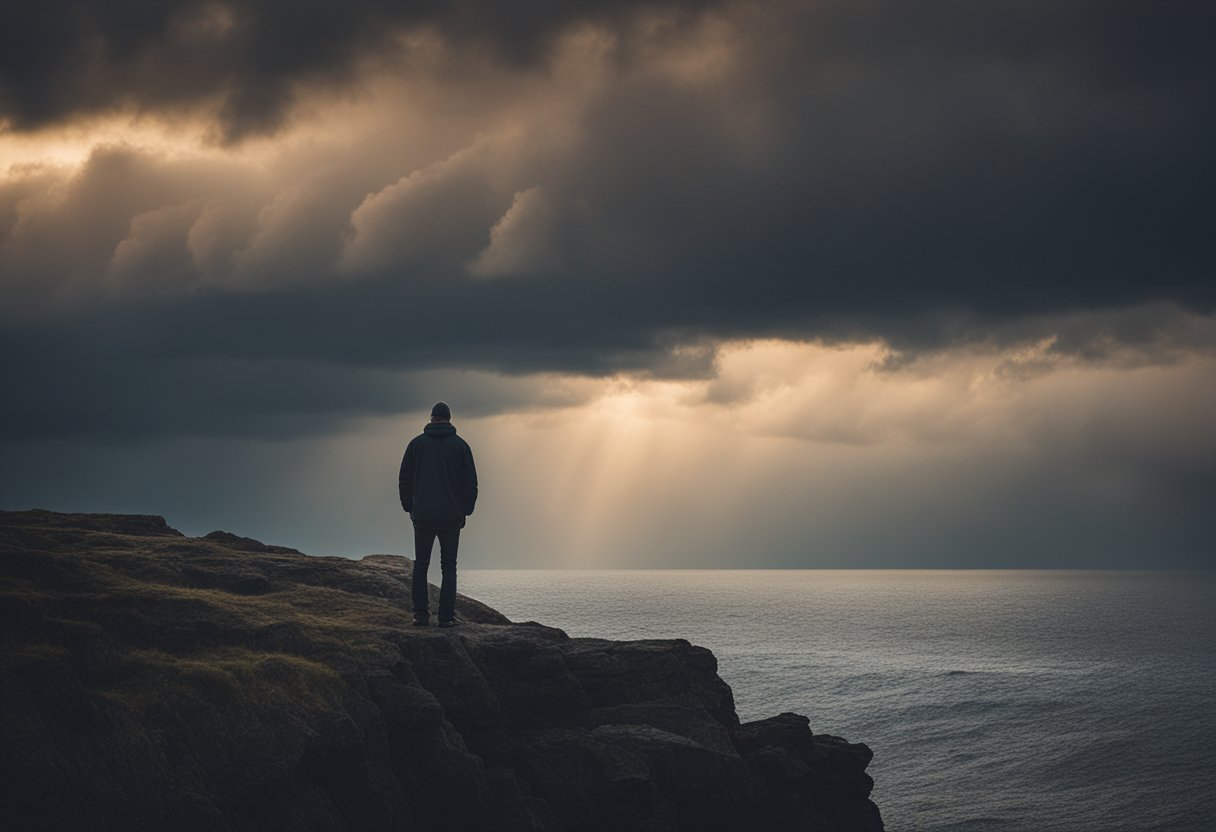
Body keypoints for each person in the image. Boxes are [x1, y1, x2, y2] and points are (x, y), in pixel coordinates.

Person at [398, 401, 478, 628]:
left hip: (422, 515)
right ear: (450, 418)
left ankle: (420, 616)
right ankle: (445, 618)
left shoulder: (416, 445)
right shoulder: (461, 446)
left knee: (421, 565)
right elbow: (470, 483)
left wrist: (409, 506)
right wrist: (466, 510)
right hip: (451, 517)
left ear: (431, 418)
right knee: (448, 566)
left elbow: (405, 478)